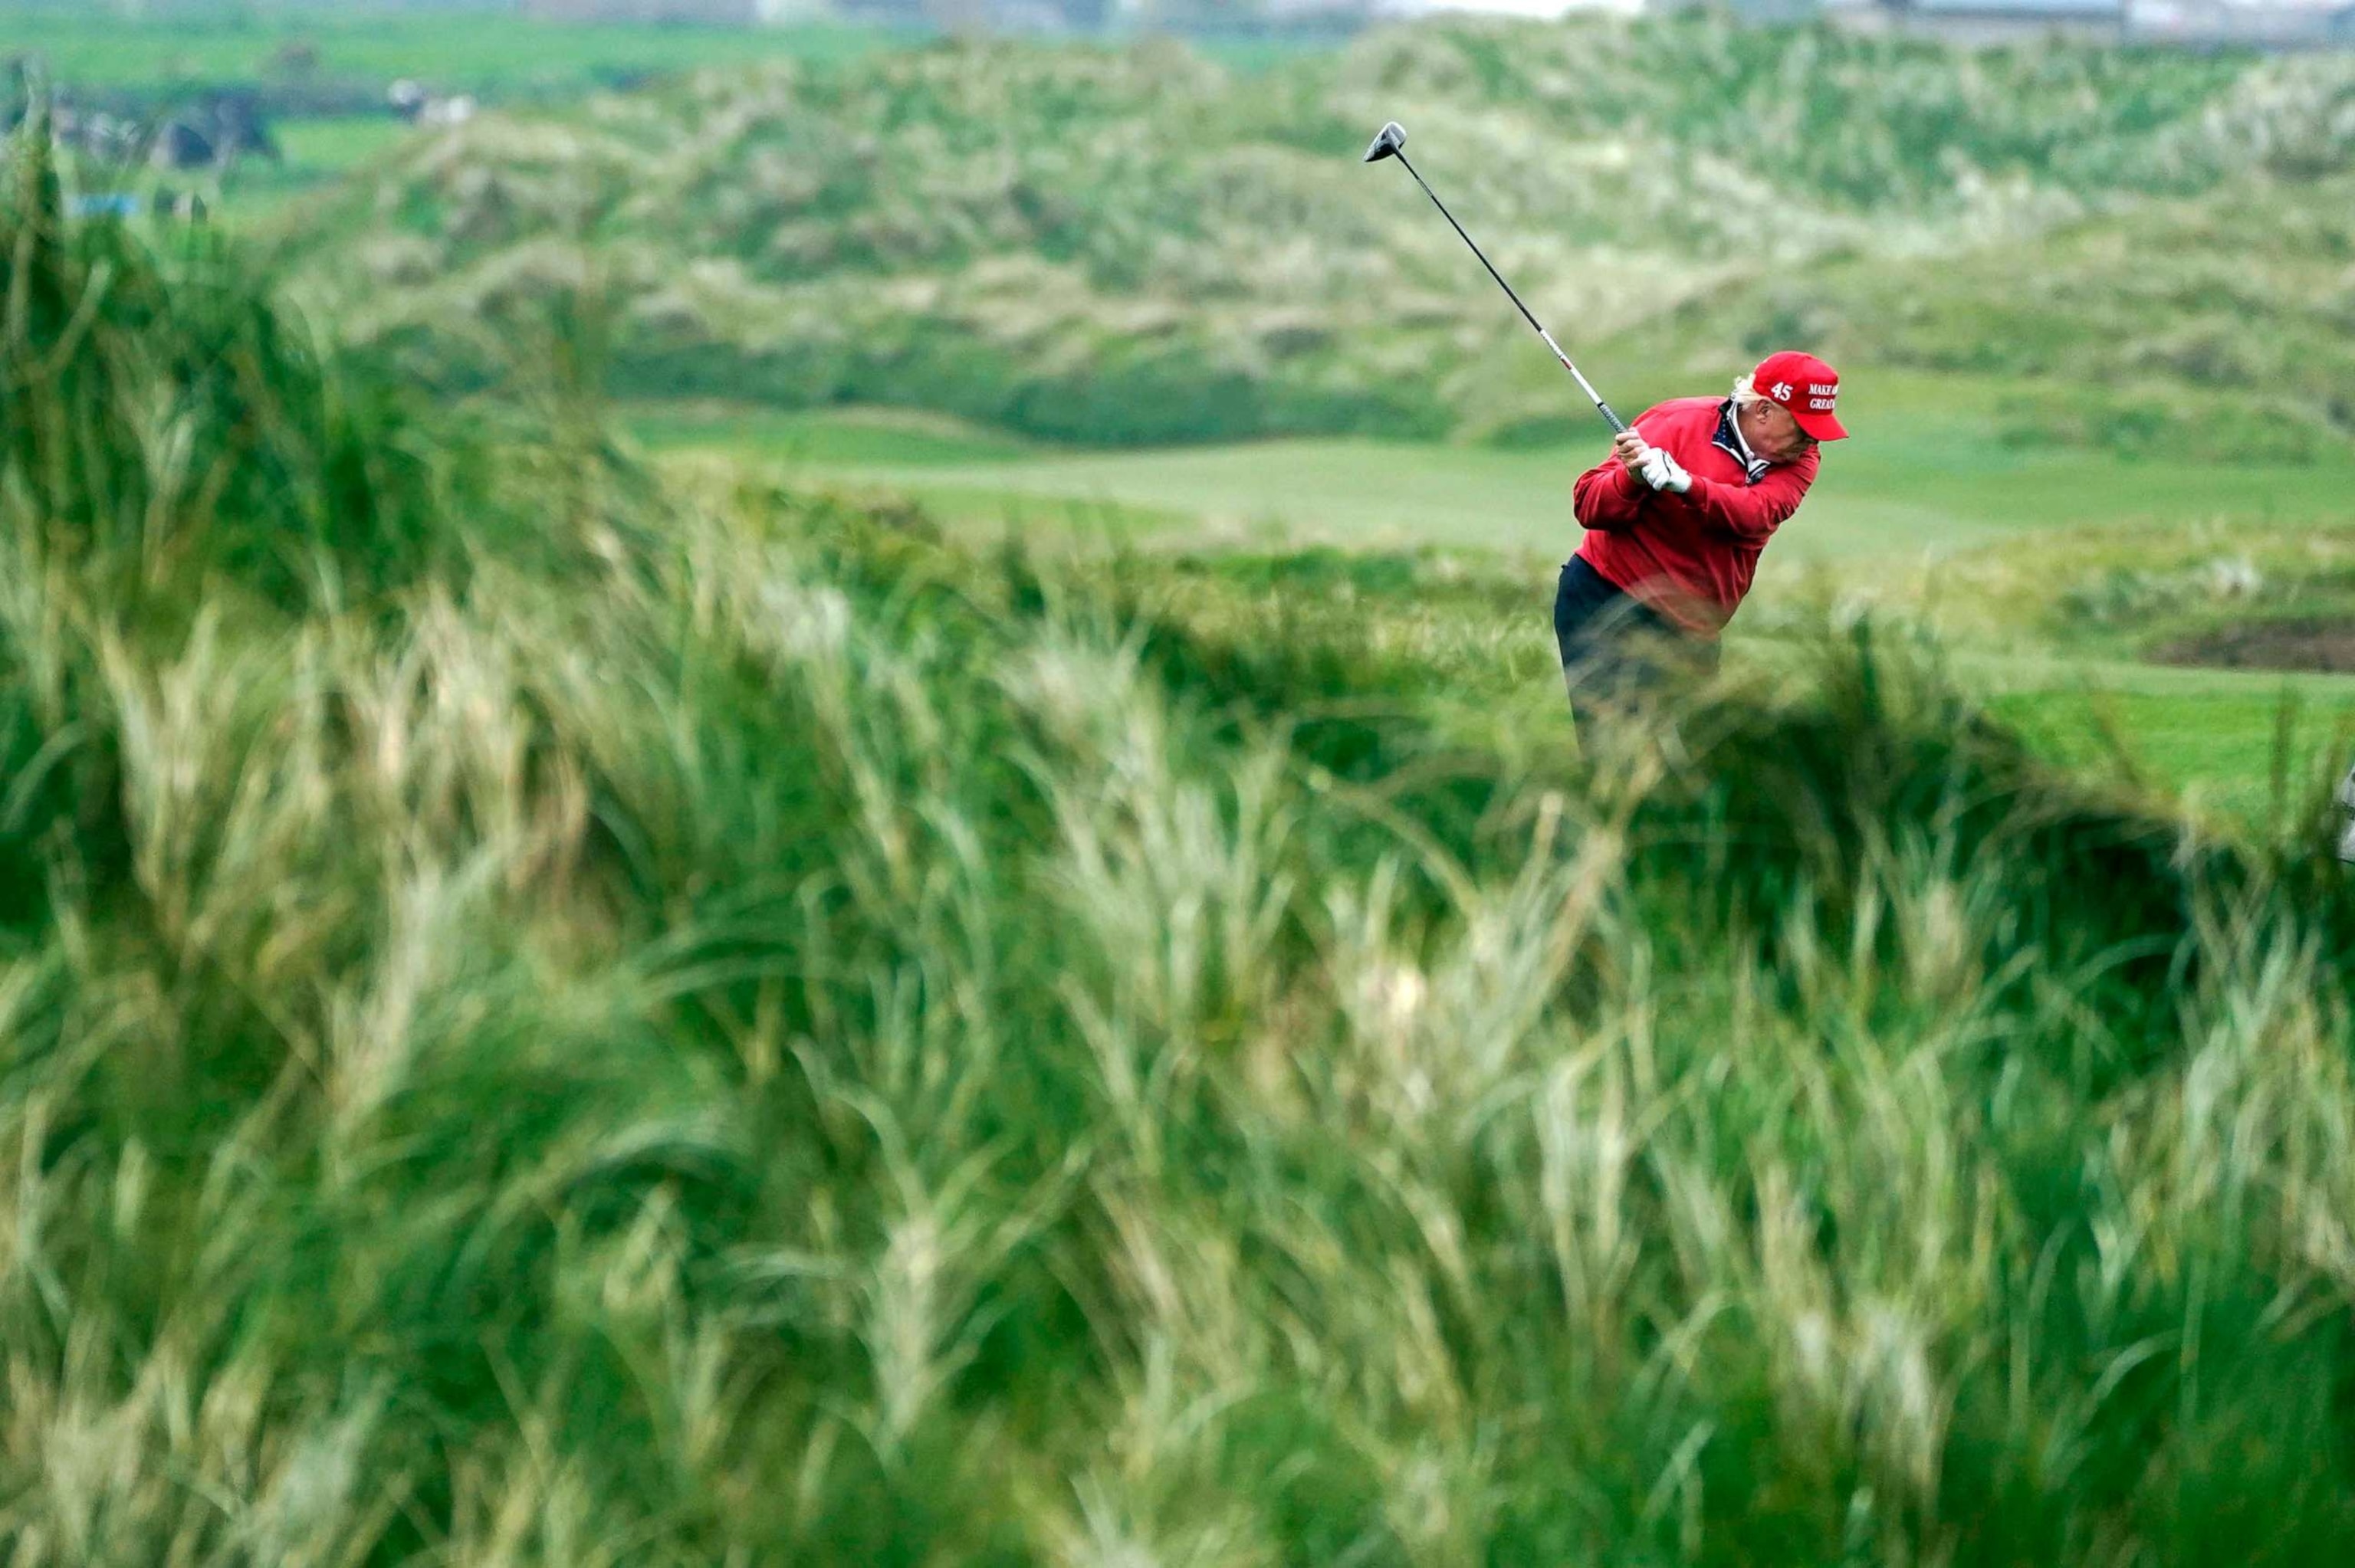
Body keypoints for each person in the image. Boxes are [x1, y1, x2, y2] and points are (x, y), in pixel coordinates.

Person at [1558, 350, 1847, 707]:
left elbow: (1755, 515)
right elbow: (1588, 504)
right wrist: (1632, 478)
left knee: (1691, 752)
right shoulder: (1676, 423)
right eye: (1803, 427)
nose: (1811, 440)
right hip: (1607, 601)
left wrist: (1685, 484)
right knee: (1614, 742)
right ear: (1764, 410)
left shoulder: (1802, 459)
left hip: (1694, 628)